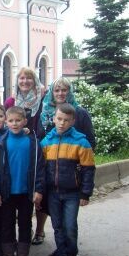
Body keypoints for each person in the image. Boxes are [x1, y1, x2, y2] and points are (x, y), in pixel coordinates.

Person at [33, 77, 96, 247]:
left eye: (64, 90)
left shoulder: (78, 112)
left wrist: (78, 166)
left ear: (69, 92)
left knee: (68, 222)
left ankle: (70, 252)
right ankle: (61, 250)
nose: (60, 93)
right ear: (52, 93)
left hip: (70, 173)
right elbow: (38, 136)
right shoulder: (44, 110)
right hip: (49, 172)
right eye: (57, 90)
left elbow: (90, 142)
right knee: (56, 220)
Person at [41, 103, 95, 256]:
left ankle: (71, 254)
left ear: (73, 121)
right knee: (57, 225)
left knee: (70, 225)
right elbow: (41, 168)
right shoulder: (46, 141)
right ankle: (62, 254)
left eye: (66, 120)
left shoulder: (81, 142)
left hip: (72, 192)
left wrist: (85, 193)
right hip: (52, 192)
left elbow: (88, 169)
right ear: (54, 119)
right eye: (59, 119)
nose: (62, 123)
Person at [0, 106, 45, 256]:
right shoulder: (1, 144)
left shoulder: (33, 142)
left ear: (25, 122)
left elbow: (40, 168)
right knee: (6, 224)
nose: (14, 124)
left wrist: (38, 189)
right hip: (7, 193)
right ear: (6, 122)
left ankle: (22, 255)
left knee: (25, 223)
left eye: (18, 120)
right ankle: (8, 255)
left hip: (26, 192)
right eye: (11, 121)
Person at [4, 67, 43, 137]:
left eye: (29, 78)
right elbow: (4, 125)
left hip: (36, 143)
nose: (25, 81)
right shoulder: (10, 102)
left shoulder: (42, 101)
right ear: (17, 81)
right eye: (22, 78)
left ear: (35, 81)